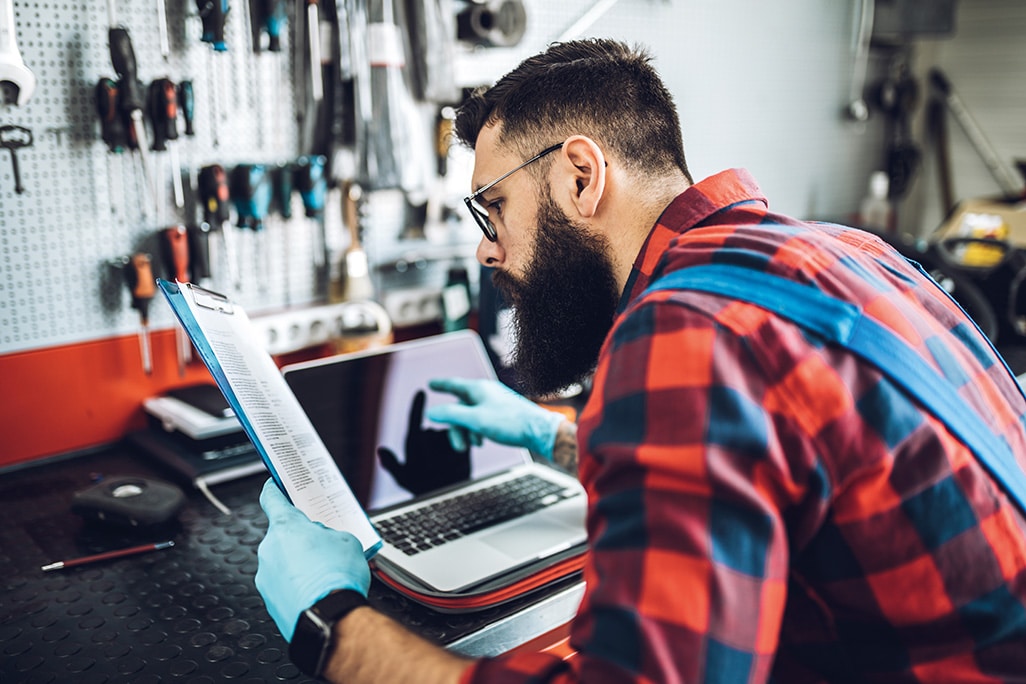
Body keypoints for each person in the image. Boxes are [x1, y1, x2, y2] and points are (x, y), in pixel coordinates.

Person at [255, 38, 1026, 683]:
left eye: (493, 208)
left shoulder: (684, 332)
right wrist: (558, 437)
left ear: (580, 177)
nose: (486, 248)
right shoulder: (843, 250)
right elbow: (789, 461)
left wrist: (333, 627)